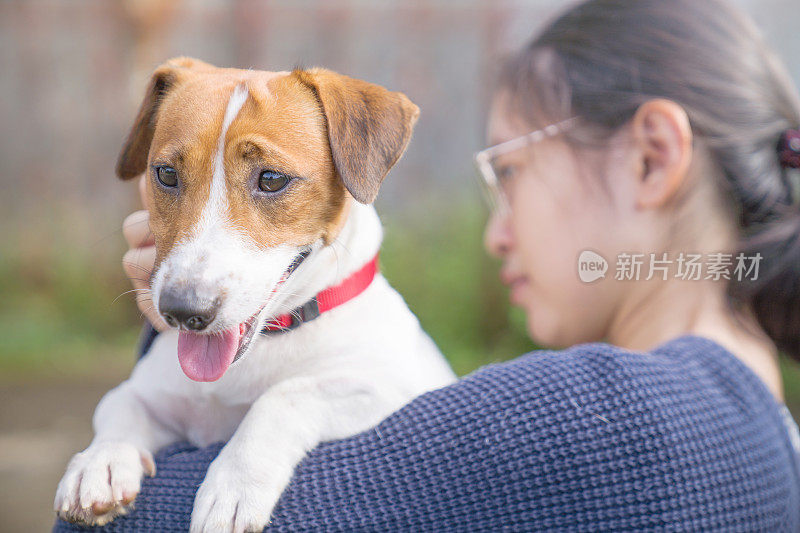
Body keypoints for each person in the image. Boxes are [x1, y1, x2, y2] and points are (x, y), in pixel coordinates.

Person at [56, 0, 800, 530]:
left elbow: (121, 525)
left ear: (651, 158)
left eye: (507, 171)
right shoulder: (774, 446)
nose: (494, 233)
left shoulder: (601, 422)